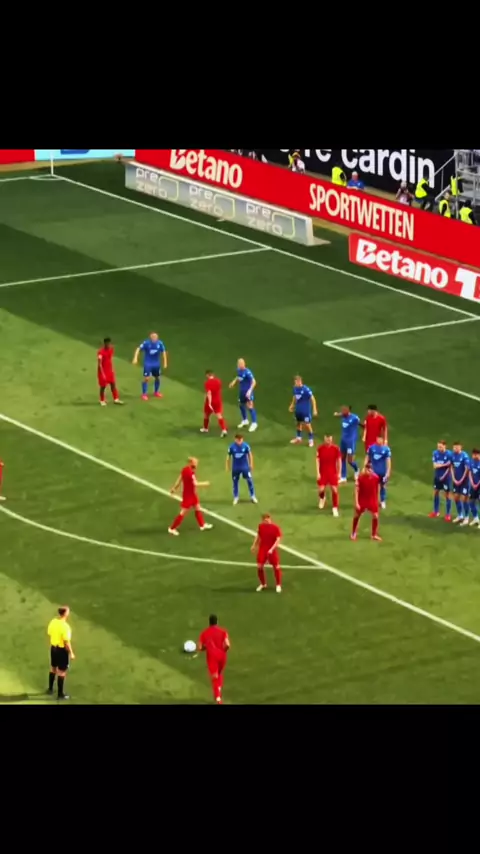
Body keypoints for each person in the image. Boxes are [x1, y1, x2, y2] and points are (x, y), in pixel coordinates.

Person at [168, 457, 213, 535]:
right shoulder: (190, 473)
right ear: (191, 463)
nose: (197, 464)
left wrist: (174, 488)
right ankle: (172, 528)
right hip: (189, 496)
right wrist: (205, 483)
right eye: (195, 463)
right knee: (183, 512)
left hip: (192, 494)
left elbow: (179, 480)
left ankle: (202, 525)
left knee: (197, 507)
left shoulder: (185, 470)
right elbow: (195, 484)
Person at [198, 614, 230, 704]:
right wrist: (224, 651)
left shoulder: (204, 633)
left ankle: (218, 699)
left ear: (209, 622)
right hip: (222, 655)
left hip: (212, 657)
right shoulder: (223, 631)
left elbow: (200, 647)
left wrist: (205, 647)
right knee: (219, 674)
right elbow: (227, 645)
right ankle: (219, 690)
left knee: (215, 677)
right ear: (217, 622)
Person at [47, 605, 75, 700]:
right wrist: (71, 653)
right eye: (68, 611)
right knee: (62, 672)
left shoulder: (53, 621)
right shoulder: (65, 627)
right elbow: (66, 642)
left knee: (53, 668)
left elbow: (49, 633)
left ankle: (50, 689)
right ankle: (60, 694)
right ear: (65, 614)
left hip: (53, 648)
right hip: (61, 650)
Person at [251, 513, 283, 593]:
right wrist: (254, 545)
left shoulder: (275, 528)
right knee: (259, 566)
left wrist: (272, 549)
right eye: (265, 520)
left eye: (267, 520)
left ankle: (278, 585)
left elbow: (278, 540)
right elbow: (258, 536)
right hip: (263, 549)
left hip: (272, 549)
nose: (267, 521)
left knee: (276, 566)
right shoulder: (261, 527)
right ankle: (263, 584)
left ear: (270, 519)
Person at [132, 332, 168, 401]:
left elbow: (163, 352)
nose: (154, 338)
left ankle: (156, 392)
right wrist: (135, 358)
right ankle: (144, 394)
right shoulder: (146, 343)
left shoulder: (160, 343)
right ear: (150, 337)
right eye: (153, 337)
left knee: (158, 378)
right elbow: (138, 349)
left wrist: (165, 362)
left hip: (156, 364)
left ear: (157, 338)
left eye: (155, 337)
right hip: (148, 363)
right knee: (147, 378)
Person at [351, 463, 381, 541]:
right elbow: (356, 490)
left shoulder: (376, 478)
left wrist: (378, 500)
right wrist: (356, 502)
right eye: (368, 469)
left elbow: (378, 488)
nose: (369, 471)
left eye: (370, 470)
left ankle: (374, 535)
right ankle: (353, 533)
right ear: (365, 469)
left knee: (375, 516)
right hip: (362, 499)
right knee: (357, 515)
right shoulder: (360, 478)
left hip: (372, 500)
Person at [226, 434, 257, 505]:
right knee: (235, 482)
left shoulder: (246, 446)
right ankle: (236, 497)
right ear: (235, 440)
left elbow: (250, 455)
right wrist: (227, 465)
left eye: (241, 440)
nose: (240, 441)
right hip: (235, 468)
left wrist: (251, 464)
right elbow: (228, 456)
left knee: (249, 481)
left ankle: (253, 496)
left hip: (245, 467)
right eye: (238, 440)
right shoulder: (232, 447)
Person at [229, 358, 258, 433]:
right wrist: (233, 382)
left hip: (248, 392)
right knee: (241, 405)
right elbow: (238, 377)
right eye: (238, 364)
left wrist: (250, 391)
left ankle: (254, 423)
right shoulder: (239, 370)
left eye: (241, 364)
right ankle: (245, 420)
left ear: (244, 364)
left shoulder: (248, 372)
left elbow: (254, 382)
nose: (239, 365)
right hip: (242, 392)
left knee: (250, 406)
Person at [316, 433, 342, 517]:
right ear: (324, 438)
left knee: (334, 490)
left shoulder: (336, 449)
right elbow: (317, 460)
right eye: (327, 439)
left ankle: (335, 508)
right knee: (321, 490)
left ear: (332, 439)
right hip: (323, 472)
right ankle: (322, 498)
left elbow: (339, 461)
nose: (328, 440)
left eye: (329, 439)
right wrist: (318, 473)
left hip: (332, 472)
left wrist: (339, 473)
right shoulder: (320, 448)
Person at [289, 375, 318, 447]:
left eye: (298, 381)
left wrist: (314, 409)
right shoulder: (295, 388)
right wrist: (292, 405)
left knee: (307, 425)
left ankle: (311, 440)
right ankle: (298, 438)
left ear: (300, 381)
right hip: (298, 410)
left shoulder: (306, 389)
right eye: (295, 382)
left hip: (305, 411)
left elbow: (313, 399)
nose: (297, 383)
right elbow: (295, 397)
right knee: (298, 423)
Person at [334, 404, 360, 482]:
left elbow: (361, 423)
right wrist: (336, 414)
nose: (342, 411)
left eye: (344, 410)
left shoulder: (354, 418)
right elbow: (339, 415)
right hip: (343, 440)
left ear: (348, 411)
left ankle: (357, 469)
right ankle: (343, 477)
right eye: (342, 410)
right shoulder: (343, 415)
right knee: (342, 458)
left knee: (350, 460)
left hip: (350, 442)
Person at [366, 436, 392, 509]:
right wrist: (366, 468)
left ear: (382, 440)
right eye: (378, 439)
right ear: (376, 439)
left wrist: (388, 472)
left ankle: (382, 501)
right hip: (373, 472)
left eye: (381, 439)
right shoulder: (371, 448)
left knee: (383, 486)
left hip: (383, 472)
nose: (379, 440)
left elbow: (388, 461)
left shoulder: (386, 449)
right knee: (372, 487)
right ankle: (371, 502)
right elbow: (367, 457)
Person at [429, 440, 453, 521]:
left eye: (440, 447)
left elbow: (450, 467)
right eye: (438, 447)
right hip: (437, 477)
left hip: (446, 478)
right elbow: (435, 466)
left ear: (445, 446)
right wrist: (444, 465)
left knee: (447, 495)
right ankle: (436, 511)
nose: (439, 448)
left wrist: (443, 475)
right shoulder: (435, 453)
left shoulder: (449, 454)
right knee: (436, 492)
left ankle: (448, 514)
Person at [201, 370, 228, 437]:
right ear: (213, 374)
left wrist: (209, 402)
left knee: (206, 414)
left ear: (207, 375)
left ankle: (205, 428)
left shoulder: (207, 383)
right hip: (218, 400)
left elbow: (209, 393)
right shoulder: (218, 381)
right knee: (219, 415)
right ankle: (224, 429)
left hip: (210, 401)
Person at [97, 337, 123, 407]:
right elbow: (99, 364)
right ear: (105, 343)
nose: (109, 345)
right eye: (107, 343)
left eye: (109, 343)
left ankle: (116, 399)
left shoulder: (111, 349)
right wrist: (102, 374)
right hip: (103, 371)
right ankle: (102, 400)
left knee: (113, 384)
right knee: (103, 387)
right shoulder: (100, 352)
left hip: (110, 371)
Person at [451, 442, 470, 525]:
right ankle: (460, 515)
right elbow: (451, 467)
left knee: (464, 498)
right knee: (456, 497)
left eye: (456, 447)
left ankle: (467, 517)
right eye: (454, 447)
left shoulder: (464, 456)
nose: (455, 449)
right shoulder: (452, 456)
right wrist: (453, 478)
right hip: (456, 481)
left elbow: (467, 469)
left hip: (464, 482)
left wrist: (461, 479)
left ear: (460, 447)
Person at [468, 449, 480, 527]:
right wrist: (472, 483)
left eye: (475, 455)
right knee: (471, 502)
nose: (474, 456)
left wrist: (477, 484)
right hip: (473, 486)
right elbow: (470, 473)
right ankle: (476, 518)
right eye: (473, 455)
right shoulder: (471, 461)